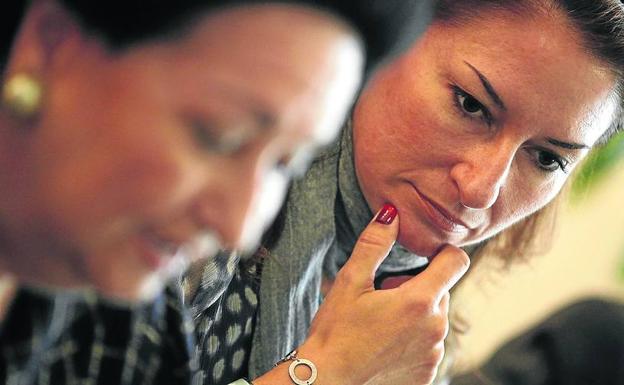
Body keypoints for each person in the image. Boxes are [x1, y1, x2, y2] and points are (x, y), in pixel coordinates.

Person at [0, 1, 447, 384]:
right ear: (48, 44)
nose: (238, 228)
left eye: (285, 164)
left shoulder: (129, 327)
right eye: (219, 136)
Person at [185, 0, 624, 384]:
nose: (480, 190)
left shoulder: (421, 318)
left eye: (548, 158)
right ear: (396, 33)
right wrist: (328, 371)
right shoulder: (194, 207)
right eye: (470, 104)